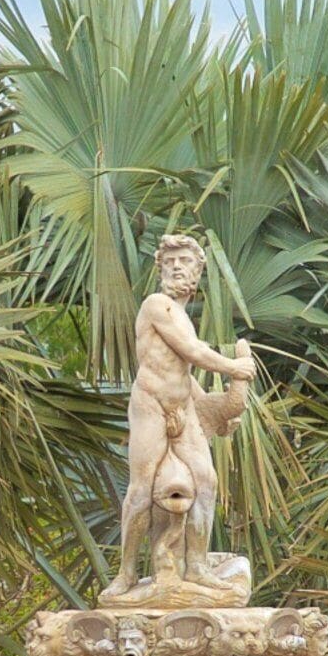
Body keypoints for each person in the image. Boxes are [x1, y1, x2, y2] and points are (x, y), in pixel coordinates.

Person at [106, 233, 257, 602]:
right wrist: (235, 367)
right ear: (159, 269)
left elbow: (183, 372)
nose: (176, 266)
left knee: (206, 481)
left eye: (185, 261)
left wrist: (216, 411)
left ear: (198, 270)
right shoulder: (157, 304)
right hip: (151, 405)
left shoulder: (184, 316)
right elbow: (191, 351)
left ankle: (198, 565)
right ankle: (126, 574)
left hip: (183, 404)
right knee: (141, 490)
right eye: (170, 261)